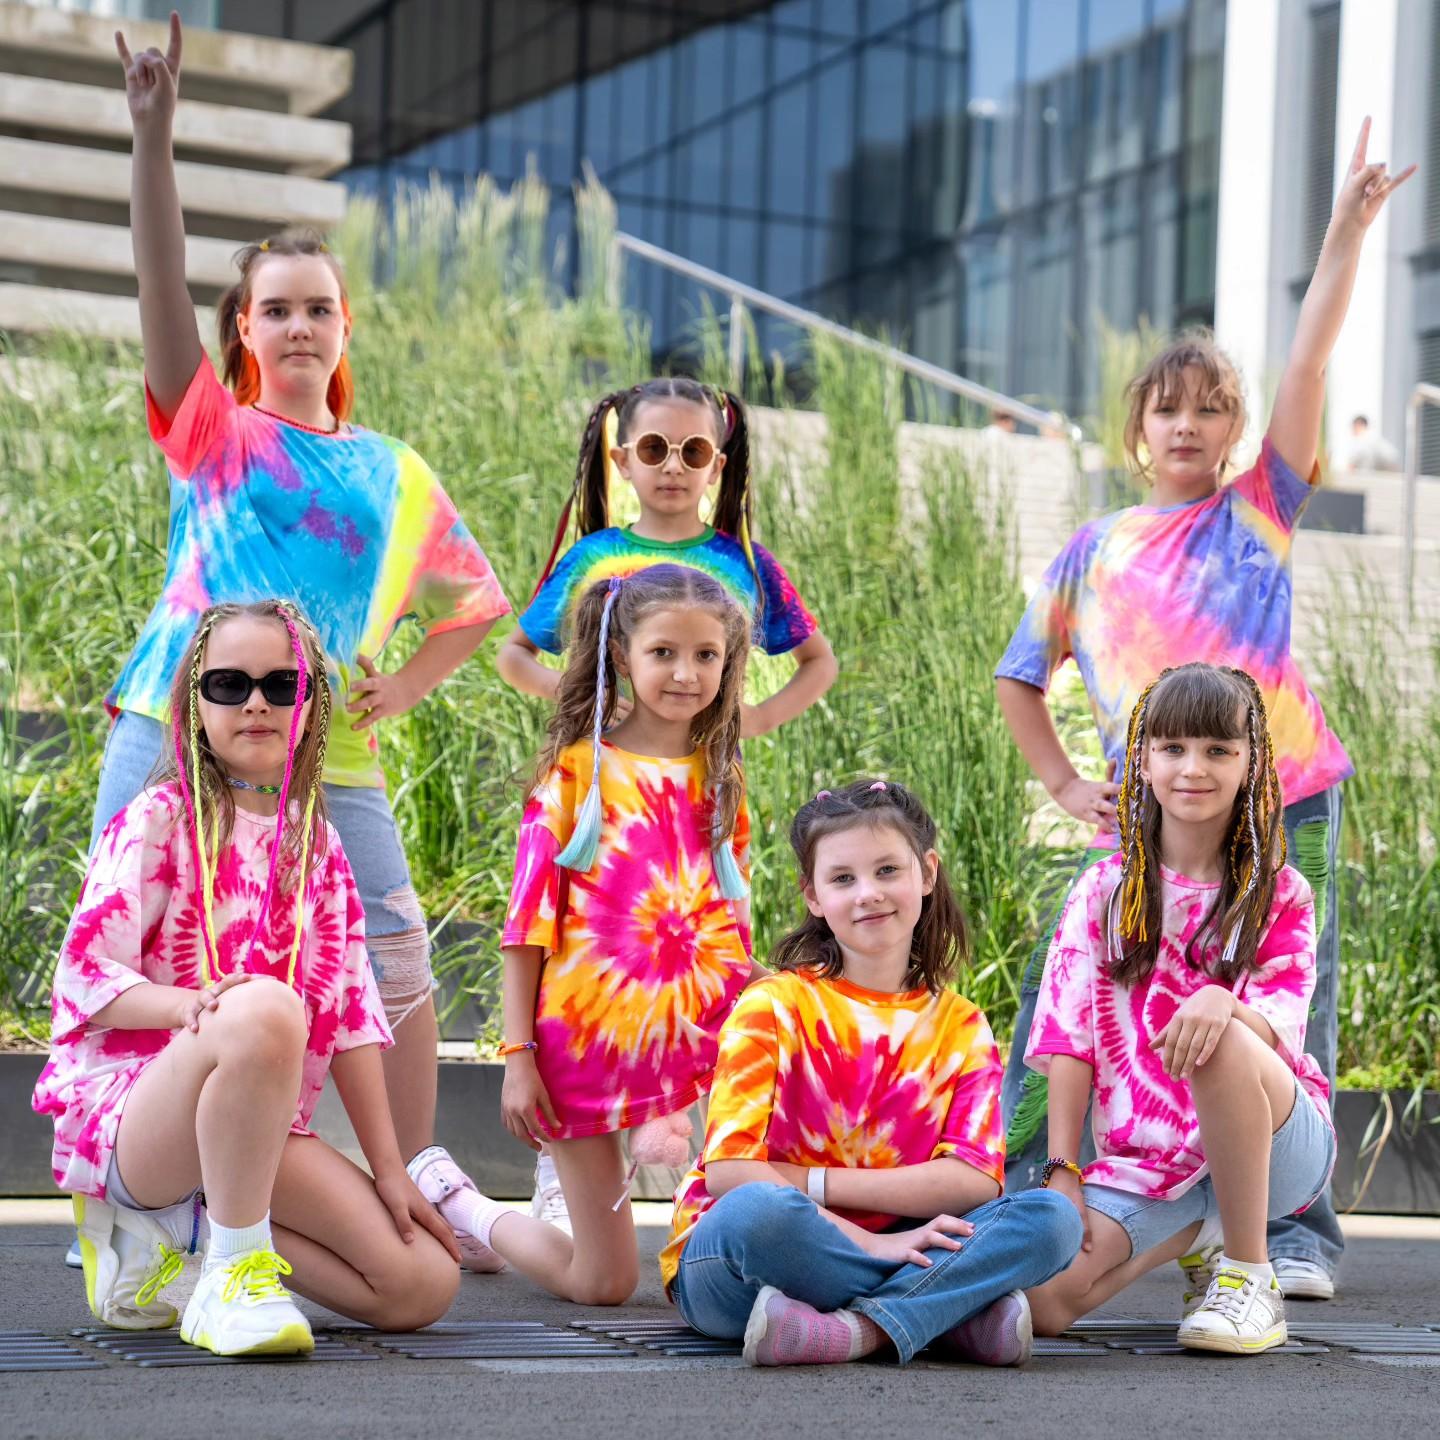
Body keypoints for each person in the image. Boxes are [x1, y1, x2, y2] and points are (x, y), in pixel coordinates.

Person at [99, 16, 511, 1268]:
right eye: (273, 309)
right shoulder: (214, 434)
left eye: (317, 309)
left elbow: (477, 603)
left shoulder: (395, 471)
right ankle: (126, 1203)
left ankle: (411, 1183)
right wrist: (153, 139)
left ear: (344, 329)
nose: (297, 327)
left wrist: (403, 688)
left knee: (396, 959)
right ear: (244, 330)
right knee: (148, 946)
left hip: (327, 748)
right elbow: (159, 290)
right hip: (177, 720)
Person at [994, 118, 1411, 1300]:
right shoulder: (1092, 550)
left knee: (1288, 998)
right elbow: (1021, 676)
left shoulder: (1258, 514)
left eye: (1211, 409)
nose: (1188, 424)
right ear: (1138, 431)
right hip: (1150, 813)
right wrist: (1065, 782)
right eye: (1167, 409)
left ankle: (1292, 1233)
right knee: (1074, 988)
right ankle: (1043, 1189)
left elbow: (1309, 368)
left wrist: (1344, 236)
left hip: (1287, 797)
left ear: (1235, 432)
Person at [33, 601, 460, 1356]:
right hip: (140, 1121)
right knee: (263, 1007)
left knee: (420, 1284)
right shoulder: (157, 818)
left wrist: (390, 1169)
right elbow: (84, 979)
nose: (256, 702)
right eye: (228, 684)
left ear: (312, 705)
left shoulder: (318, 846)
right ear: (195, 704)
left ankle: (193, 1235)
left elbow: (353, 1017)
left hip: (251, 1128)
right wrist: (194, 1007)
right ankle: (228, 1277)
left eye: (280, 685)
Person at [497, 377, 836, 1225]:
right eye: (655, 448)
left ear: (718, 463)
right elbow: (514, 655)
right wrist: (594, 707)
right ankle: (569, 1165)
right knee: (605, 943)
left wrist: (753, 718)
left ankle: (696, 1174)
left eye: (694, 451)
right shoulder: (594, 560)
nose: (674, 466)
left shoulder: (745, 563)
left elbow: (817, 659)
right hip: (611, 803)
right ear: (623, 459)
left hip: (697, 791)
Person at [411, 565, 763, 1304]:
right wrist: (518, 1058)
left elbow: (729, 912)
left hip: (696, 1040)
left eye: (706, 655)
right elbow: (525, 927)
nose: (686, 673)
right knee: (603, 1283)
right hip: (584, 1046)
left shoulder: (721, 776)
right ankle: (465, 1207)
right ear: (622, 656)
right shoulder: (577, 776)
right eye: (664, 652)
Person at [661, 779, 1081, 1367]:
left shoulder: (961, 1024)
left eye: (887, 870)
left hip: (904, 1243)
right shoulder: (773, 1006)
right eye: (842, 878)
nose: (868, 894)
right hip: (753, 1263)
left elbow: (973, 1180)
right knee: (758, 1212)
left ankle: (858, 1330)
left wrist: (816, 1183)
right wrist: (876, 1245)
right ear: (813, 896)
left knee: (1053, 1219)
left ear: (926, 873)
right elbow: (731, 1172)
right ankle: (939, 1311)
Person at [1022, 664, 1335, 1356]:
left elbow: (1279, 1033)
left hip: (1277, 1148)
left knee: (1218, 1033)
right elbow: (1069, 1040)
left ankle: (1250, 1274)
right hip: (1153, 1161)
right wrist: (1061, 1172)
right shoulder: (1103, 893)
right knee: (1044, 1303)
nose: (1194, 768)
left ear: (1251, 764)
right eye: (1173, 748)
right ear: (1142, 760)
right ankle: (1202, 1233)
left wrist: (1223, 1000)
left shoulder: (1280, 892)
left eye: (1218, 750)